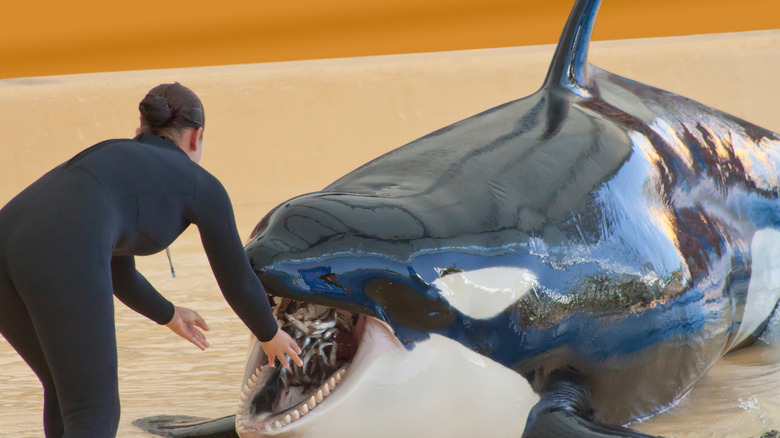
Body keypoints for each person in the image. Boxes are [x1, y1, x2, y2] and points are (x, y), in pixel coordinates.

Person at [0, 82, 303, 438]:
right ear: (196, 136)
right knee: (93, 411)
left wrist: (169, 313)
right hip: (62, 246)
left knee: (68, 395)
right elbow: (236, 278)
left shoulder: (116, 160)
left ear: (143, 127)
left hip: (7, 238)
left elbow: (118, 271)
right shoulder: (199, 184)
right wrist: (270, 334)